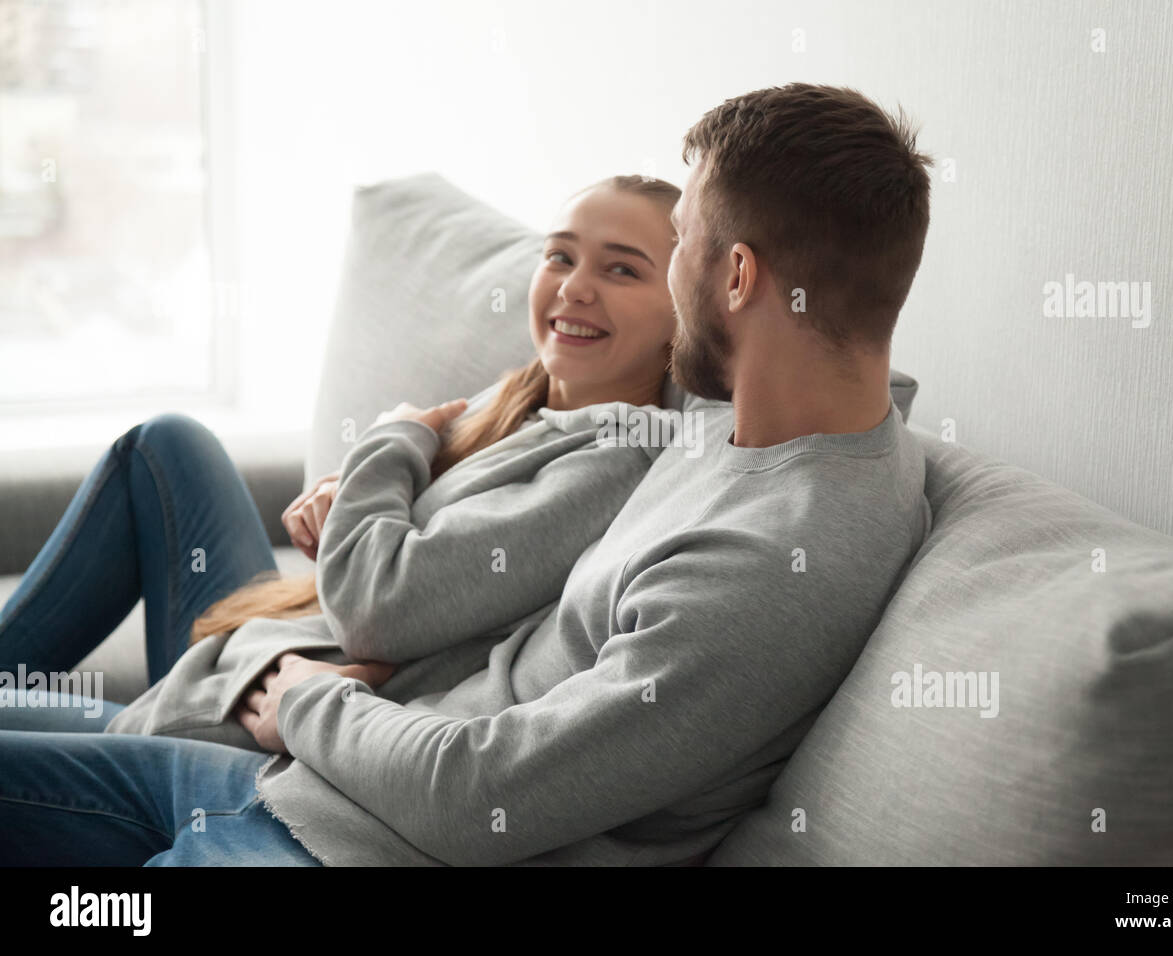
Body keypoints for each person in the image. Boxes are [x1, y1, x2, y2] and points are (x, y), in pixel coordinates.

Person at [0, 81, 935, 868]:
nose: (587, 284)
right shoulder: (765, 421)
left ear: (733, 276)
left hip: (344, 840)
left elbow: (478, 794)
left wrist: (311, 697)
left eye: (676, 242)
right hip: (319, 787)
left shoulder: (772, 564)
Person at [0, 174, 685, 864]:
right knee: (165, 446)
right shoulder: (518, 398)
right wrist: (342, 504)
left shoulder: (617, 462)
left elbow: (378, 610)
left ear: (683, 310)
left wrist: (389, 443)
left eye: (622, 269)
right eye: (560, 256)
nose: (573, 287)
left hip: (268, 699)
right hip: (263, 648)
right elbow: (377, 557)